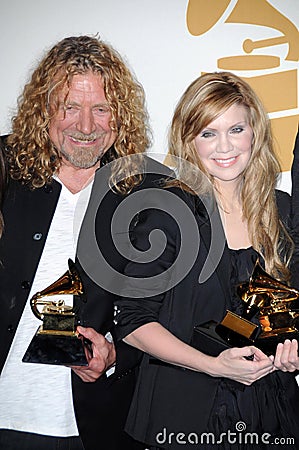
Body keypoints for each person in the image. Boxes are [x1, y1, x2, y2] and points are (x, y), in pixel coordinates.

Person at [0, 35, 171, 450]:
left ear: (120, 115)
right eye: (70, 107)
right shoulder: (6, 171)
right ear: (44, 110)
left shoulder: (147, 195)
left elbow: (161, 309)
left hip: (93, 427)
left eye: (100, 109)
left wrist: (114, 354)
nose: (86, 126)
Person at [114, 72, 299, 449]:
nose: (225, 146)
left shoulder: (281, 210)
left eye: (236, 129)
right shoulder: (168, 211)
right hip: (185, 413)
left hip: (270, 411)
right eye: (208, 133)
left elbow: (288, 309)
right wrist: (213, 364)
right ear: (189, 140)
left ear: (255, 133)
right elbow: (133, 322)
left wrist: (290, 349)